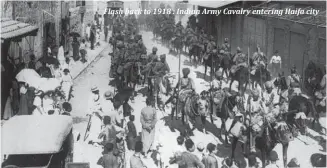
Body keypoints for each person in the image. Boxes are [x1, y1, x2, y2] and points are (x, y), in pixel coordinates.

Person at [245, 89, 264, 153]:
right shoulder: (250, 101)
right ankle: (252, 146)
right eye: (255, 96)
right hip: (251, 117)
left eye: (257, 96)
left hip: (258, 117)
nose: (256, 97)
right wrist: (252, 111)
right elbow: (247, 110)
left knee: (263, 125)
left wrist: (260, 110)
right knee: (251, 128)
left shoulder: (260, 101)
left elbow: (263, 110)